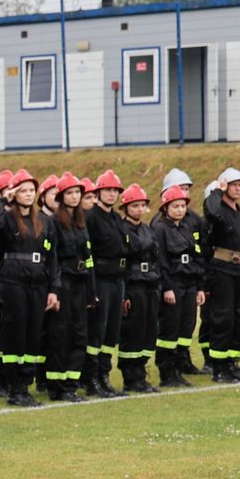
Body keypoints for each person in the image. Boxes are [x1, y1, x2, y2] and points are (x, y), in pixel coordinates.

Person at [0, 170, 53, 407]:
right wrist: (6, 199)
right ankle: (13, 387)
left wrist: (53, 289)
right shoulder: (6, 218)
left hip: (38, 282)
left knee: (33, 334)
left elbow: (52, 255)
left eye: (31, 190)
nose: (28, 195)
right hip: (13, 283)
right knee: (16, 334)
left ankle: (25, 385)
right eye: (22, 190)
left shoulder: (44, 221)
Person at [200, 167, 240, 383]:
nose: (238, 188)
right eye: (233, 184)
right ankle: (219, 368)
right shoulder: (218, 210)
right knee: (223, 318)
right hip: (223, 270)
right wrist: (217, 191)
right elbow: (211, 211)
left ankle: (231, 363)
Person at [42, 175, 92, 403]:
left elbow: (88, 258)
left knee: (79, 334)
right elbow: (50, 257)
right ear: (62, 197)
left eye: (77, 193)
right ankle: (56, 385)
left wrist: (92, 290)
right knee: (59, 335)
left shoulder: (82, 222)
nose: (75, 197)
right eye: (70, 193)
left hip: (80, 283)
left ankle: (71, 384)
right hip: (63, 283)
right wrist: (54, 288)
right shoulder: (53, 222)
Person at [154, 185, 204, 389]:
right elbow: (161, 261)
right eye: (175, 206)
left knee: (186, 327)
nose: (180, 210)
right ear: (166, 207)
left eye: (182, 206)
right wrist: (166, 287)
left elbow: (197, 257)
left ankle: (180, 367)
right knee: (169, 330)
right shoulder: (160, 229)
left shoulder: (186, 227)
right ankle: (167, 372)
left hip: (189, 282)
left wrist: (200, 287)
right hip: (173, 283)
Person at [85, 170, 128, 397]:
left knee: (112, 332)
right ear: (99, 192)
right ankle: (91, 378)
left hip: (117, 278)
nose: (112, 194)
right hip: (100, 278)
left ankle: (104, 375)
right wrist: (91, 289)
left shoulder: (116, 218)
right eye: (108, 190)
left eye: (115, 190)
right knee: (97, 331)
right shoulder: (91, 217)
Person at [117, 185, 161, 393]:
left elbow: (155, 257)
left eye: (142, 205)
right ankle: (130, 376)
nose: (139, 209)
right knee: (132, 331)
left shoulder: (147, 229)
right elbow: (121, 262)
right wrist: (124, 293)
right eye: (134, 205)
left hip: (150, 283)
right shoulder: (121, 229)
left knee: (149, 330)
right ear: (125, 208)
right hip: (132, 284)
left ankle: (141, 373)